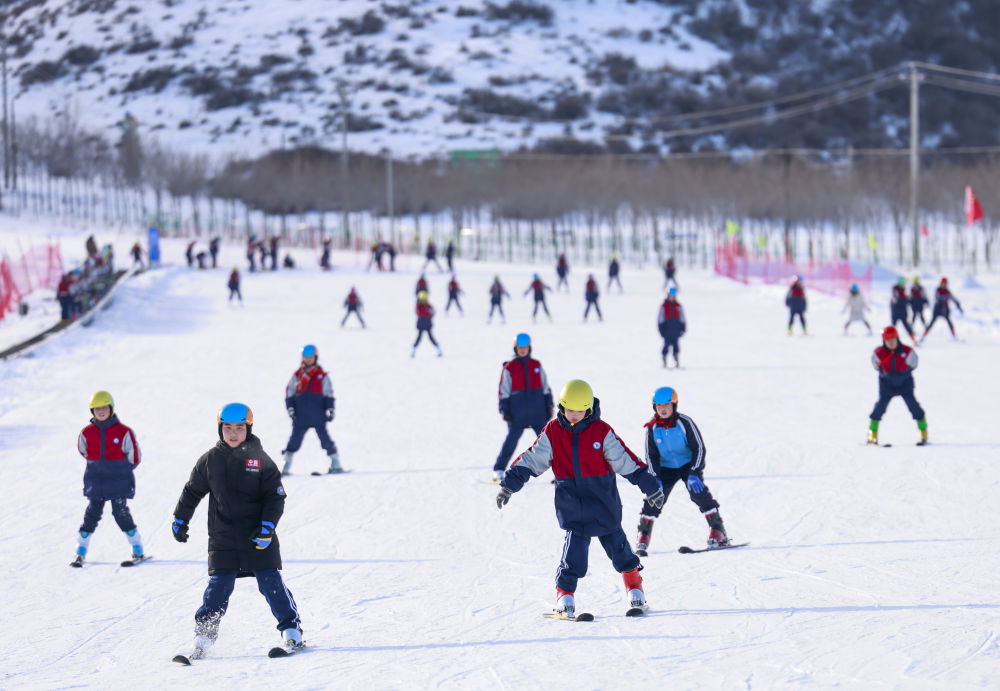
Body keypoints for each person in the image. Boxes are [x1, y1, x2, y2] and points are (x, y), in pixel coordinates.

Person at [496, 380, 665, 618]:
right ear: (562, 406)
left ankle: (635, 588)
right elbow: (532, 460)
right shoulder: (553, 431)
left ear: (589, 408)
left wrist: (649, 485)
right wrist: (509, 485)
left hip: (604, 502)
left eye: (580, 410)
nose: (574, 415)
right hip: (572, 505)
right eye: (569, 410)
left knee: (620, 551)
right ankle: (564, 596)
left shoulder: (601, 431)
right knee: (573, 556)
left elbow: (625, 460)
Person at [171, 403, 304, 659]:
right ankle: (203, 636)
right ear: (220, 428)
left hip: (258, 537)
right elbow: (192, 491)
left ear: (248, 429)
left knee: (271, 582)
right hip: (223, 539)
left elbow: (275, 497)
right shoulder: (211, 459)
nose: (233, 433)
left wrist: (267, 527)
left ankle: (291, 629)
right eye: (228, 428)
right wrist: (180, 519)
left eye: (239, 428)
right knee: (218, 588)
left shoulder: (260, 459)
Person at [634, 387, 729, 556]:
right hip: (665, 469)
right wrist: (655, 478)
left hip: (688, 466)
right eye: (659, 405)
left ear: (674, 405)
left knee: (697, 491)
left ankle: (717, 528)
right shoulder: (652, 427)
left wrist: (694, 471)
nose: (663, 409)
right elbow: (651, 456)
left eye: (667, 405)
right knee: (655, 497)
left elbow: (698, 447)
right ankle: (643, 534)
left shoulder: (684, 423)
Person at [72, 391, 144, 567]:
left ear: (111, 408)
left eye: (104, 407)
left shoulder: (124, 431)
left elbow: (135, 456)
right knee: (91, 515)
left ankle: (137, 548)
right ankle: (80, 552)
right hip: (95, 481)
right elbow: (83, 450)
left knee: (121, 513)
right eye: (97, 409)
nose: (101, 411)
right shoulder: (87, 432)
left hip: (118, 481)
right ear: (92, 411)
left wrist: (121, 469)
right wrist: (97, 466)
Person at [492, 333, 553, 482]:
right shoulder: (510, 367)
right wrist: (504, 409)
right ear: (515, 348)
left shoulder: (536, 365)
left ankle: (561, 472)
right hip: (517, 413)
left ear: (529, 348)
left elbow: (545, 387)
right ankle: (499, 469)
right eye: (520, 348)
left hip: (537, 412)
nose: (523, 350)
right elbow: (503, 390)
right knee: (511, 441)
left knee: (548, 443)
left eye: (525, 347)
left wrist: (548, 405)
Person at [281, 345, 342, 474]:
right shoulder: (297, 375)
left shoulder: (321, 376)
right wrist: (291, 409)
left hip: (318, 414)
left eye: (311, 357)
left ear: (315, 358)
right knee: (294, 441)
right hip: (301, 415)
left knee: (325, 439)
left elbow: (328, 393)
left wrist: (330, 409)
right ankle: (285, 466)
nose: (308, 360)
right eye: (306, 357)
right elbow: (290, 393)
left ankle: (335, 463)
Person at [868, 326, 928, 445]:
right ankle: (872, 435)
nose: (891, 342)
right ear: (884, 341)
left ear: (897, 339)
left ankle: (923, 433)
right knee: (879, 408)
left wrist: (904, 373)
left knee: (914, 406)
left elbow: (914, 364)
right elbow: (876, 366)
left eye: (893, 339)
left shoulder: (907, 351)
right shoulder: (879, 353)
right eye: (888, 340)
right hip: (887, 385)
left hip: (905, 385)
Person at [921, 277, 963, 342]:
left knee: (950, 323)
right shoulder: (938, 290)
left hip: (945, 310)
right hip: (937, 309)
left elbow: (953, 299)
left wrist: (958, 305)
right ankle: (923, 336)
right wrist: (943, 299)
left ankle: (954, 336)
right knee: (931, 324)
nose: (944, 285)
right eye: (943, 283)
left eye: (945, 283)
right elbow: (937, 298)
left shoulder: (948, 292)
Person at [658, 287, 685, 368]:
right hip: (667, 330)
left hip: (676, 329)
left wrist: (682, 328)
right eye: (670, 296)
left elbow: (682, 318)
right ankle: (664, 360)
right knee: (666, 346)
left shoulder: (678, 306)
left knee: (676, 346)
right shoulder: (664, 306)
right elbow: (660, 319)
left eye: (673, 296)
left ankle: (676, 360)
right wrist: (661, 329)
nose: (672, 298)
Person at [412, 291, 442, 357]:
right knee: (418, 338)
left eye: (425, 300)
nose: (424, 301)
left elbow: (433, 313)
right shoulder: (419, 307)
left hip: (428, 325)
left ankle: (439, 350)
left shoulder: (429, 306)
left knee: (431, 338)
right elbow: (419, 312)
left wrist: (429, 313)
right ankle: (413, 351)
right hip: (421, 325)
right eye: (422, 300)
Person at [890, 276, 917, 344]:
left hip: (903, 312)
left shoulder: (903, 290)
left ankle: (913, 340)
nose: (903, 285)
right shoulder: (895, 290)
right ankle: (892, 342)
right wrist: (905, 299)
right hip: (896, 312)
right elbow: (896, 300)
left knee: (906, 326)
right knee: (893, 328)